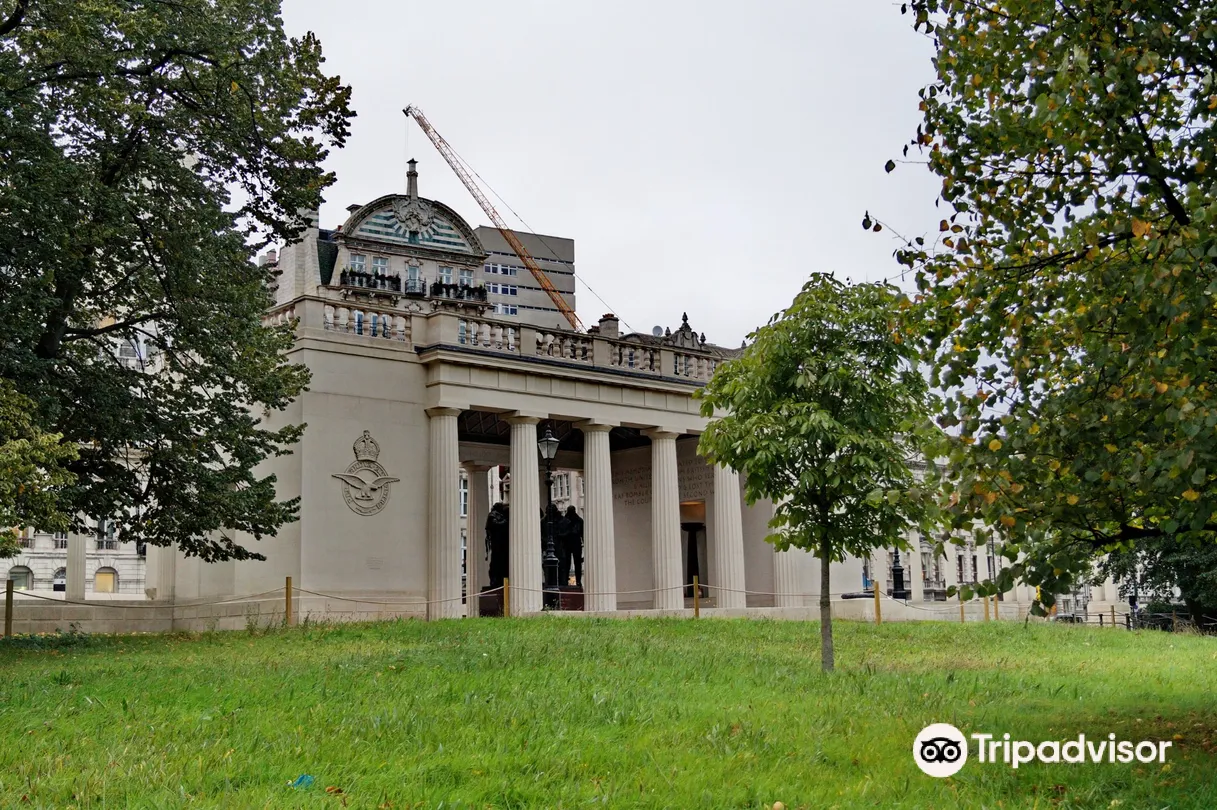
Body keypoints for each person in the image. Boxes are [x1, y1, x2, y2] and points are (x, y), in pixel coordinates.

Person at [557, 505, 584, 588]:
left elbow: (582, 533)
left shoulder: (566, 520)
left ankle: (574, 580)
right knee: (569, 563)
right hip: (571, 544)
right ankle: (572, 580)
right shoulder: (578, 520)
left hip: (571, 544)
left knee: (571, 563)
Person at [485, 502, 510, 589]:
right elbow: (495, 525)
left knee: (503, 563)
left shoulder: (501, 515)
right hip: (497, 543)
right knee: (496, 563)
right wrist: (506, 521)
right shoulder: (493, 515)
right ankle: (495, 581)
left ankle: (501, 580)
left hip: (503, 543)